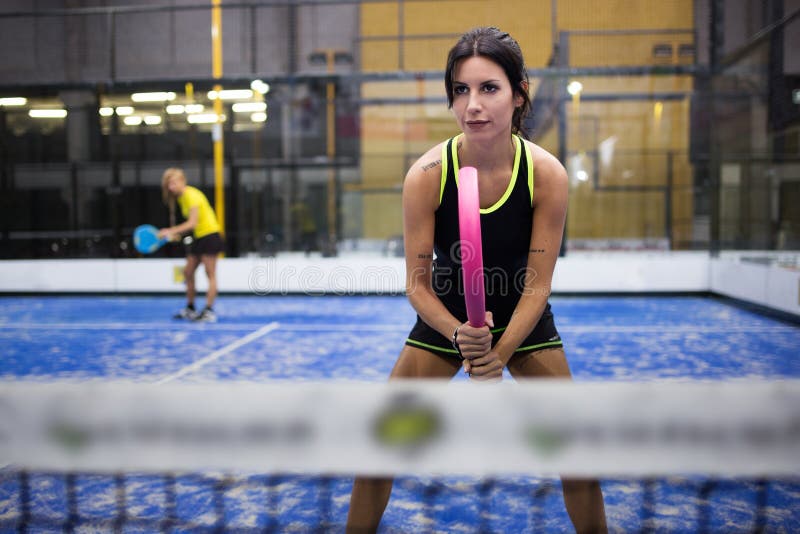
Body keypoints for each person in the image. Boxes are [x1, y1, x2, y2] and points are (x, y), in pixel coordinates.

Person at [346, 27, 608, 533]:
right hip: (447, 312)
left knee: (579, 455)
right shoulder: (425, 175)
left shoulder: (546, 174)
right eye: (461, 90)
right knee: (378, 449)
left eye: (489, 88)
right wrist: (461, 337)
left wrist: (500, 352)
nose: (473, 105)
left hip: (523, 314)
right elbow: (417, 285)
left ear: (518, 94)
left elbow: (537, 284)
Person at [159, 167, 224, 322]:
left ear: (182, 181)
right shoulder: (181, 198)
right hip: (198, 238)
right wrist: (174, 234)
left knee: (210, 274)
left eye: (173, 183)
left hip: (210, 235)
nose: (171, 187)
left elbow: (192, 223)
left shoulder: (191, 195)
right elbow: (191, 226)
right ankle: (190, 308)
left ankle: (208, 311)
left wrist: (170, 230)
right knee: (188, 272)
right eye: (169, 184)